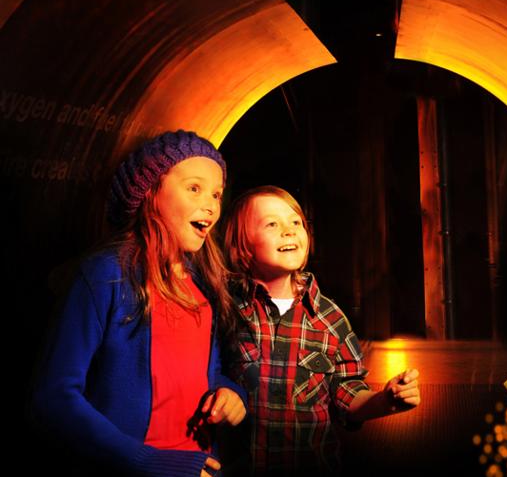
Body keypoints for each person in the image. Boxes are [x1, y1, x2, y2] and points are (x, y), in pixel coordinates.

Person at [32, 130, 247, 477]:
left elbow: (203, 373)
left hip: (201, 469)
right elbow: (53, 398)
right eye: (194, 188)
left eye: (217, 194)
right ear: (149, 192)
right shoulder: (106, 275)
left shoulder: (204, 283)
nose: (211, 204)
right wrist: (146, 461)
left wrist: (231, 392)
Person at [222, 185, 420, 475]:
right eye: (272, 224)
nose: (289, 231)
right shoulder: (224, 309)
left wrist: (385, 400)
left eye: (296, 222)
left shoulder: (330, 319)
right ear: (242, 248)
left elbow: (348, 395)